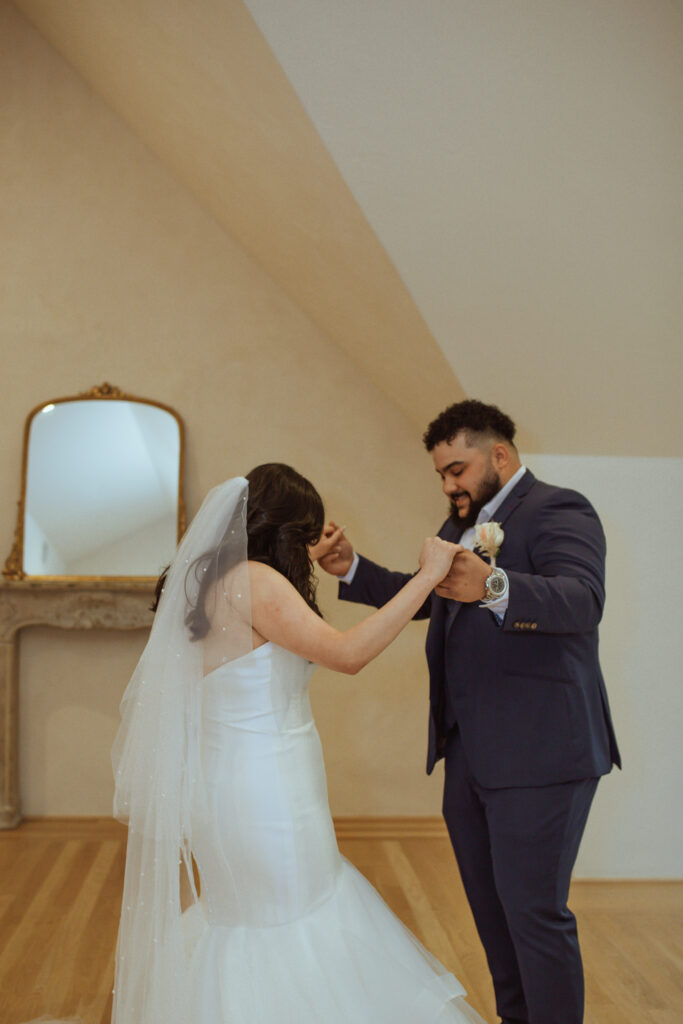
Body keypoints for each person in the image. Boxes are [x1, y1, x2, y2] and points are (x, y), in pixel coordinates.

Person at [110, 463, 486, 1023]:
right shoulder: (258, 584)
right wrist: (427, 576)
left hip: (237, 784)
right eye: (305, 534)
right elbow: (348, 654)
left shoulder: (217, 581)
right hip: (266, 794)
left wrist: (308, 561)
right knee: (290, 915)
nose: (311, 545)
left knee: (250, 916)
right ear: (284, 530)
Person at [315, 400, 621, 1024]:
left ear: (499, 455)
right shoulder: (463, 525)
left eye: (458, 469)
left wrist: (496, 585)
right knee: (492, 912)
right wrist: (353, 571)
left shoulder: (560, 508)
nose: (449, 485)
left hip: (542, 755)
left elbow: (582, 601)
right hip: (471, 759)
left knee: (534, 913)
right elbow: (430, 595)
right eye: (442, 475)